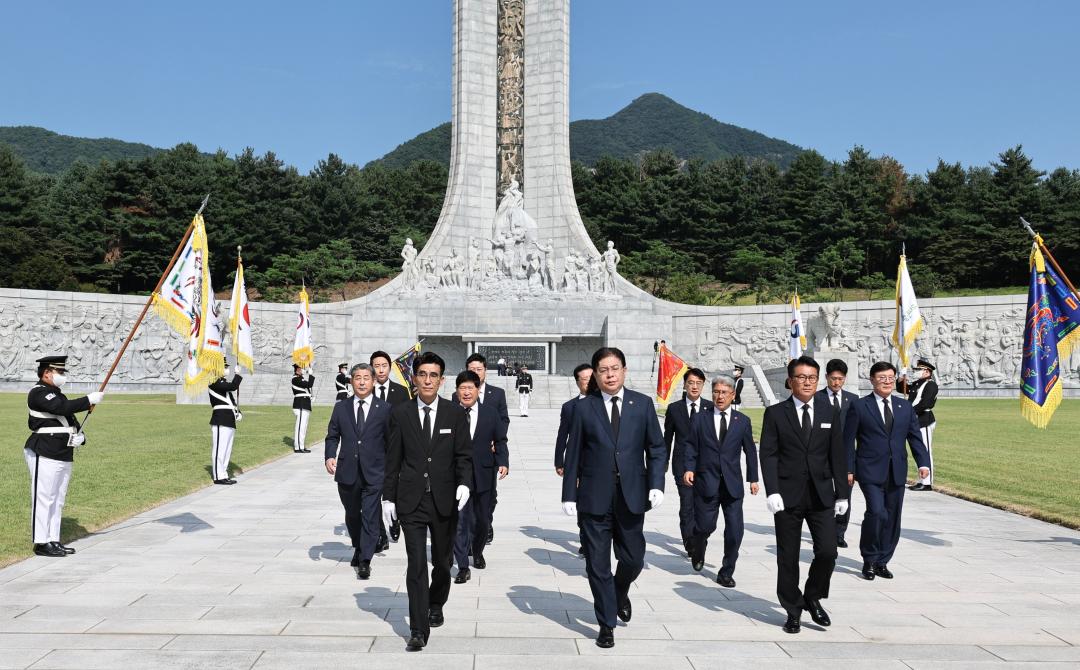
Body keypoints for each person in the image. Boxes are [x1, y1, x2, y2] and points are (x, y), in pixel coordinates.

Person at [561, 347, 666, 649]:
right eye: (603, 370)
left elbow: (656, 448)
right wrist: (569, 494)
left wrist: (656, 484)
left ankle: (619, 592)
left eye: (615, 368)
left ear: (624, 370)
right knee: (597, 564)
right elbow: (573, 453)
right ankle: (606, 623)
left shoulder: (641, 404)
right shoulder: (584, 408)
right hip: (594, 498)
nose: (610, 375)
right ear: (595, 375)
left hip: (631, 496)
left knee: (633, 558)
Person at [382, 352, 473, 651]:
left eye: (434, 375)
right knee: (417, 564)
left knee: (443, 563)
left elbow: (464, 455)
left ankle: (436, 602)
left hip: (445, 500)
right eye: (422, 374)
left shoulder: (454, 413)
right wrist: (388, 497)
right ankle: (418, 629)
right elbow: (392, 459)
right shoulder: (401, 413)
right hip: (412, 501)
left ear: (442, 380)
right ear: (414, 378)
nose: (428, 380)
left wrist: (464, 483)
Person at [759, 355, 849, 634]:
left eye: (812, 378)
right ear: (790, 381)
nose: (807, 382)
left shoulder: (828, 411)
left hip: (821, 495)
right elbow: (768, 455)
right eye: (801, 377)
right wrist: (772, 491)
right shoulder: (776, 414)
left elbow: (837, 454)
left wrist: (842, 494)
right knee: (788, 556)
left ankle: (812, 595)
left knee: (828, 551)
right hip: (787, 496)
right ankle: (793, 609)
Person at [844, 361, 930, 581]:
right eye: (882, 378)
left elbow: (915, 437)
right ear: (872, 380)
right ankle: (869, 559)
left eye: (891, 378)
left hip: (897, 470)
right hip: (869, 470)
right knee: (877, 512)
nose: (887, 381)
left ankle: (882, 561)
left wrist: (923, 463)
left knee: (892, 517)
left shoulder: (904, 407)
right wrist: (848, 469)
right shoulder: (860, 406)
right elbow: (848, 441)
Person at [683, 374, 759, 587]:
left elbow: (750, 452)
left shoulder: (742, 421)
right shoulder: (700, 418)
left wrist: (753, 478)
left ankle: (726, 571)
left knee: (735, 531)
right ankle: (698, 547)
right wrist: (689, 468)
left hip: (732, 485)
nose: (720, 396)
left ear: (733, 395)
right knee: (705, 526)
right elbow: (691, 446)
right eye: (716, 392)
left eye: (724, 392)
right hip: (706, 482)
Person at [25, 355, 104, 557]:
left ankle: (53, 539)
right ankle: (41, 542)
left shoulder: (57, 394)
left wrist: (81, 437)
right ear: (47, 373)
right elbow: (61, 408)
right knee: (44, 498)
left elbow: (69, 419)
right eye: (59, 372)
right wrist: (88, 400)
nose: (62, 375)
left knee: (57, 499)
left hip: (63, 450)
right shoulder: (38, 392)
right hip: (44, 449)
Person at [325, 363, 392, 580]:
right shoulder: (341, 407)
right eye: (357, 378)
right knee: (353, 514)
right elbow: (332, 436)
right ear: (351, 381)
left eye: (366, 378)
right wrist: (330, 456)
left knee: (371, 516)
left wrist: (392, 470)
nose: (362, 382)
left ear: (373, 381)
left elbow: (391, 442)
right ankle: (358, 545)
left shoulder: (385, 409)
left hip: (375, 472)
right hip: (348, 472)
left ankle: (365, 560)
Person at [452, 371, 509, 583]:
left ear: (478, 390)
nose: (466, 392)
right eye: (462, 388)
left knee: (483, 520)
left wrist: (503, 461)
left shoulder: (490, 413)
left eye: (470, 388)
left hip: (483, 473)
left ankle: (477, 551)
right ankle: (462, 565)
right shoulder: (449, 412)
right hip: (457, 475)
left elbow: (500, 440)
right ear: (457, 391)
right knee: (460, 521)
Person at [458, 353, 509, 546]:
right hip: (462, 460)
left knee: (488, 498)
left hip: (488, 456)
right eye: (472, 369)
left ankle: (485, 524)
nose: (476, 372)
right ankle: (467, 543)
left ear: (485, 371)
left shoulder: (496, 394)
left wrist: (496, 444)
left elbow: (503, 421)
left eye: (479, 369)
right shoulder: (458, 397)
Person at [663, 368, 713, 555]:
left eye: (699, 383)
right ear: (684, 385)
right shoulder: (674, 409)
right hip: (682, 465)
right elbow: (667, 438)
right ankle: (690, 541)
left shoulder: (711, 407)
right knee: (687, 504)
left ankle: (700, 537)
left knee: (704, 507)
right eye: (691, 382)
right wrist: (663, 463)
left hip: (706, 466)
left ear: (703, 385)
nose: (694, 386)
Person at [815, 359, 858, 548]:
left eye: (840, 379)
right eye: (833, 378)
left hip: (845, 455)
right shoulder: (817, 398)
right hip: (821, 455)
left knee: (844, 494)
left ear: (845, 379)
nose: (836, 382)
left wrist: (851, 467)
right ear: (826, 377)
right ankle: (823, 530)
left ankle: (839, 533)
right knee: (822, 495)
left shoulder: (853, 400)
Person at [371, 350, 411, 546]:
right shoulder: (366, 391)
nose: (380, 370)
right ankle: (380, 534)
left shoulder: (401, 392)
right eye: (376, 366)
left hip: (396, 452)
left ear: (389, 367)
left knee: (394, 490)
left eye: (384, 366)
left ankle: (395, 521)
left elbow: (408, 421)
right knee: (373, 495)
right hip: (374, 452)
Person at [554, 363, 593, 556]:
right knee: (583, 503)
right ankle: (586, 537)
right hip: (578, 462)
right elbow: (563, 435)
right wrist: (559, 461)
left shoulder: (606, 403)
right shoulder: (570, 407)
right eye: (585, 379)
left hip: (601, 463)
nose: (589, 382)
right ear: (577, 382)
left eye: (592, 378)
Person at [208, 360, 243, 485]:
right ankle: (218, 476)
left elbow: (231, 401)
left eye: (226, 366)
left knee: (227, 449)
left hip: (229, 419)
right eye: (224, 367)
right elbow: (232, 386)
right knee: (220, 449)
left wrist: (238, 412)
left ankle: (223, 474)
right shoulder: (213, 381)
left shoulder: (223, 383)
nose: (226, 369)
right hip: (220, 419)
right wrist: (237, 375)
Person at [907, 359, 938, 491]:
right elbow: (903, 389)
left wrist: (909, 412)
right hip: (915, 419)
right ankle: (921, 480)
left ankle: (927, 482)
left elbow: (926, 403)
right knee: (917, 450)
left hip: (924, 419)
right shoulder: (917, 383)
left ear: (927, 372)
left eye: (919, 370)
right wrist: (901, 377)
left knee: (925, 450)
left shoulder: (931, 385)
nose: (916, 372)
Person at [290, 364, 315, 453]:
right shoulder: (295, 379)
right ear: (297, 370)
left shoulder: (301, 378)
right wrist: (310, 374)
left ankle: (302, 446)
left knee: (304, 427)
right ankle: (298, 447)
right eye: (301, 369)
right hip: (300, 404)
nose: (303, 370)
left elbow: (308, 387)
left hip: (305, 404)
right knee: (300, 426)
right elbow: (309, 384)